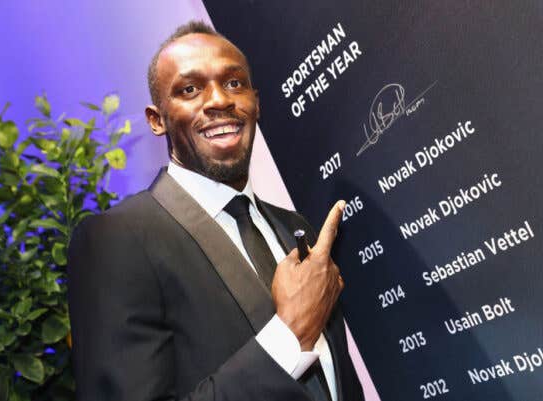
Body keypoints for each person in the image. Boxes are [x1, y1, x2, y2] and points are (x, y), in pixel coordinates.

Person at [67, 20, 364, 401]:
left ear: (256, 103)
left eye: (234, 83)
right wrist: (289, 336)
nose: (219, 100)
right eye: (189, 89)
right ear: (157, 119)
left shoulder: (297, 228)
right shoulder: (114, 240)